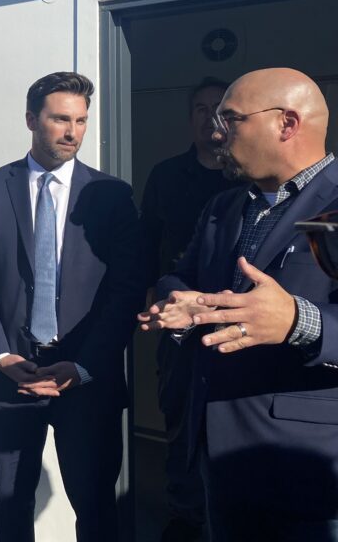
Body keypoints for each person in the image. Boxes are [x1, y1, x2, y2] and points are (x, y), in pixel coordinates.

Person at [139, 67, 338, 541]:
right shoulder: (225, 206)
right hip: (217, 454)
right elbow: (182, 275)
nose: (215, 132)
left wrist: (298, 321)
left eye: (231, 119)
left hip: (309, 470)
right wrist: (180, 302)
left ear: (286, 123)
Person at [0, 72, 141, 542]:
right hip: (12, 375)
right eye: (61, 119)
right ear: (30, 120)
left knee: (97, 504)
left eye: (80, 121)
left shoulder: (111, 196)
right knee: (12, 499)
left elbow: (125, 290)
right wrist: (2, 356)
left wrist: (83, 366)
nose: (72, 132)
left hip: (86, 376)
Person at [138, 77, 238, 542]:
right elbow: (146, 243)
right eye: (200, 108)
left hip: (238, 320)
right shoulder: (166, 175)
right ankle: (184, 512)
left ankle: (230, 516)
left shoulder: (245, 178)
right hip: (177, 320)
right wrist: (149, 293)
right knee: (177, 414)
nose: (210, 117)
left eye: (219, 108)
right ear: (190, 117)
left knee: (233, 418)